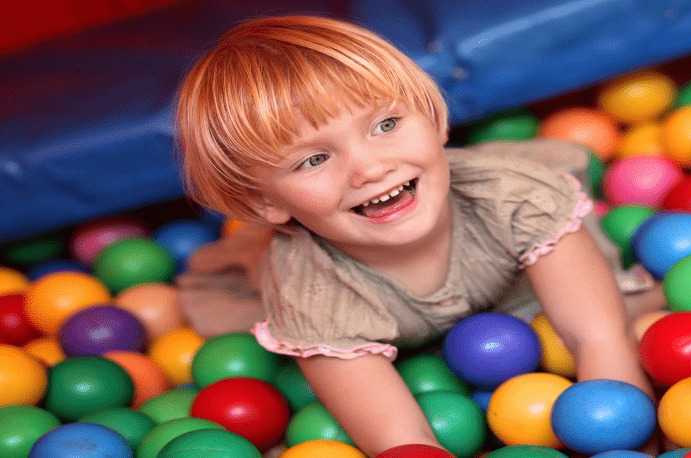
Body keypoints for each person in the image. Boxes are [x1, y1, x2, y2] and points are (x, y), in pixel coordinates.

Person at [176, 15, 665, 457]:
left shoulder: (513, 202)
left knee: (635, 315)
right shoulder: (312, 291)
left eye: (386, 124)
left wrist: (624, 444)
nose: (371, 167)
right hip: (352, 302)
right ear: (267, 203)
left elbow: (599, 339)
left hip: (513, 274)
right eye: (314, 160)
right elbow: (401, 441)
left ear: (430, 118)